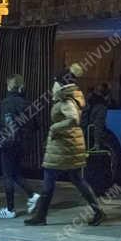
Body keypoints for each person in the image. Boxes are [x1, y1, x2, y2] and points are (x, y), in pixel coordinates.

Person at [25, 65, 105, 226]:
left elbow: (73, 118)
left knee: (49, 180)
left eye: (55, 81)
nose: (52, 85)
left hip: (63, 145)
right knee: (77, 179)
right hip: (70, 144)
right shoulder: (71, 96)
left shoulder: (66, 99)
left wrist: (55, 127)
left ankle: (40, 216)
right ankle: (97, 211)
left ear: (61, 83)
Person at [0, 75, 39, 219]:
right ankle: (33, 195)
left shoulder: (5, 103)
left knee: (7, 175)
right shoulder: (27, 103)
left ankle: (10, 209)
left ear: (8, 87)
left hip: (9, 143)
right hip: (23, 144)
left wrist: (1, 140)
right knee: (16, 173)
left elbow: (4, 123)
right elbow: (36, 125)